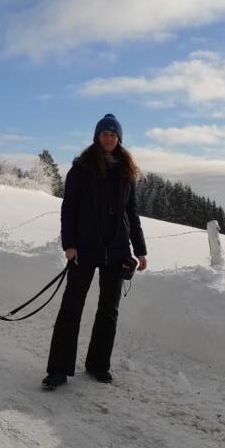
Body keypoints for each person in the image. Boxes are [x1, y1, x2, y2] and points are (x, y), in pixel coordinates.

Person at [42, 113, 147, 390]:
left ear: (119, 138)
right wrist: (69, 245)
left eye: (113, 134)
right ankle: (58, 369)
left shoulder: (126, 171)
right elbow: (69, 210)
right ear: (97, 137)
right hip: (84, 250)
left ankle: (98, 364)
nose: (109, 138)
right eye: (104, 134)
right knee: (71, 308)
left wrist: (140, 249)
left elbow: (131, 213)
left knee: (108, 311)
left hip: (117, 250)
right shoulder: (81, 169)